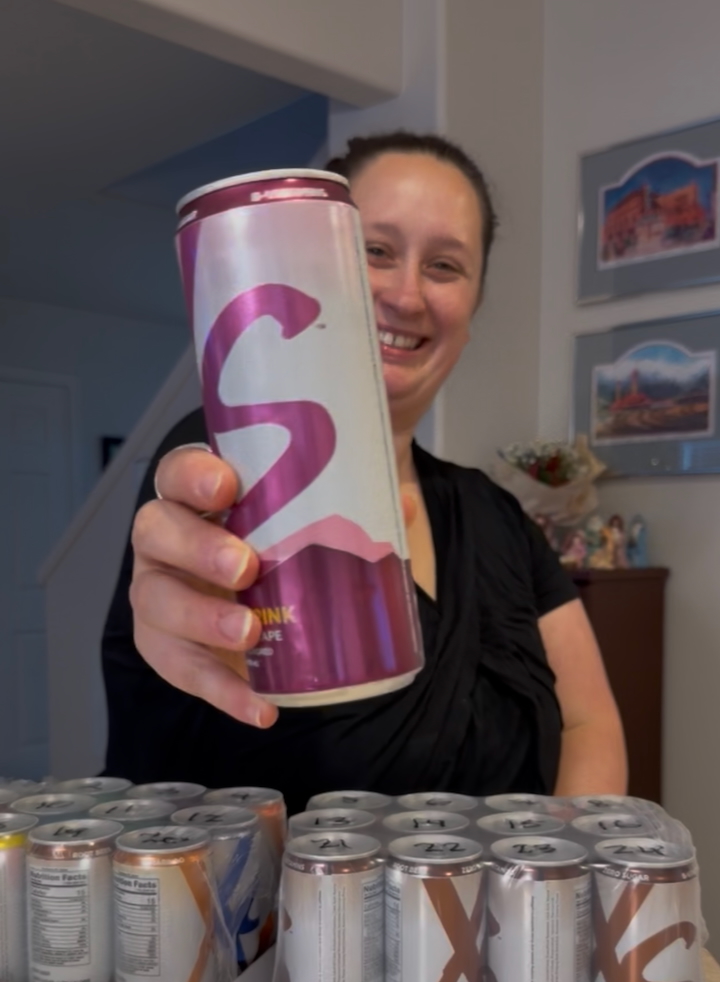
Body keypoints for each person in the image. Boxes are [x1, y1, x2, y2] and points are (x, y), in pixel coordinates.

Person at [103, 131, 627, 813]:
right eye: (374, 250)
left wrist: (567, 863)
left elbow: (590, 722)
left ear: (472, 310)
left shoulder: (493, 511)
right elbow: (175, 631)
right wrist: (179, 609)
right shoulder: (230, 463)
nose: (406, 295)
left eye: (444, 266)